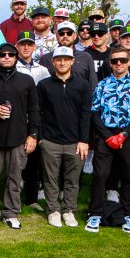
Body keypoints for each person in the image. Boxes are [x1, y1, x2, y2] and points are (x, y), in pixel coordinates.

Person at [87, 48, 130, 233]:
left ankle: (126, 213)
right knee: (100, 175)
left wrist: (124, 135)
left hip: (128, 135)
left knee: (128, 176)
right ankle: (95, 213)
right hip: (105, 134)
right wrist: (107, 136)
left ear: (129, 62)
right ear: (110, 64)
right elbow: (95, 113)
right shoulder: (102, 84)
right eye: (115, 61)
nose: (119, 64)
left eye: (123, 60)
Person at [0, 43, 37, 229]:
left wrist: (32, 135)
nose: (7, 57)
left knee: (15, 177)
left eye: (11, 54)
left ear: (16, 58)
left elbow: (34, 110)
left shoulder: (27, 80)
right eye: (3, 55)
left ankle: (11, 212)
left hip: (18, 136)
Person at [31, 46, 92, 228]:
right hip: (51, 141)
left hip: (75, 142)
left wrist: (84, 140)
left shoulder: (83, 85)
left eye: (66, 59)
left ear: (72, 61)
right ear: (53, 62)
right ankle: (53, 210)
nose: (62, 62)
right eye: (59, 59)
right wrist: (40, 137)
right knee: (50, 179)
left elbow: (85, 114)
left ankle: (68, 210)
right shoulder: (44, 85)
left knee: (72, 180)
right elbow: (38, 112)